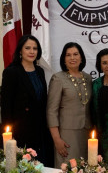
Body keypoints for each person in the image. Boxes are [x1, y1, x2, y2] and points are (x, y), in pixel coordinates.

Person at [1, 34, 53, 167]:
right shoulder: (11, 72)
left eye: (35, 48)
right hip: (21, 131)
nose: (31, 51)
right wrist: (9, 136)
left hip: (40, 130)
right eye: (28, 48)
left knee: (42, 165)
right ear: (20, 51)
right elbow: (6, 107)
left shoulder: (40, 71)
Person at [47, 42, 92, 168]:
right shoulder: (58, 78)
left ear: (81, 57)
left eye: (76, 54)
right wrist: (57, 139)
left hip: (86, 133)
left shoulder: (88, 78)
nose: (72, 58)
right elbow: (51, 111)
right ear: (64, 59)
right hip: (66, 135)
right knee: (67, 168)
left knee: (85, 167)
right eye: (68, 55)